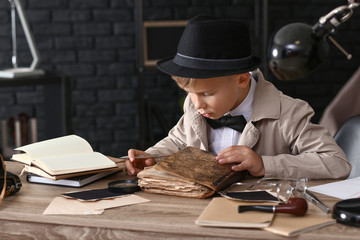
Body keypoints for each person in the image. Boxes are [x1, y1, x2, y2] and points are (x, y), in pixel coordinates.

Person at [125, 15, 351, 180]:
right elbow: (178, 141)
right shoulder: (195, 106)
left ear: (242, 80)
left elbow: (337, 163)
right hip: (197, 214)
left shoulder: (289, 113)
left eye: (207, 93)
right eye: (189, 94)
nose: (196, 103)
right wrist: (151, 156)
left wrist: (265, 164)